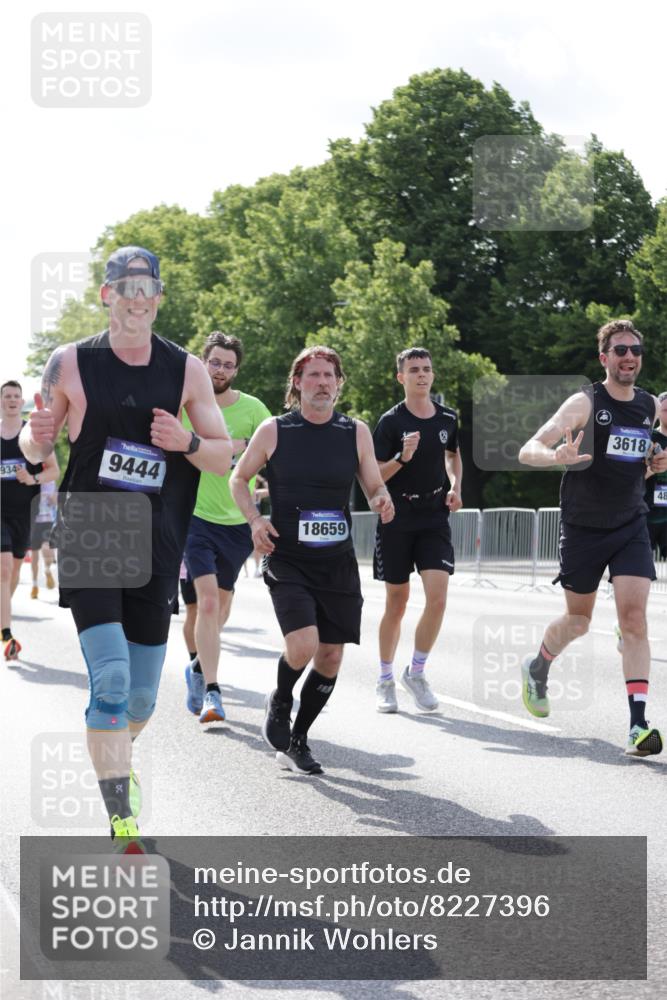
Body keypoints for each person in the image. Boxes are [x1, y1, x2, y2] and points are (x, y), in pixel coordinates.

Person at [20, 246, 232, 846]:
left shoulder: (186, 369)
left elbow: (223, 457)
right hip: (93, 528)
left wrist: (187, 442)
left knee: (140, 698)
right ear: (106, 295)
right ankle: (121, 817)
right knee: (111, 679)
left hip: (158, 539)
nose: (137, 299)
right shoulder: (70, 362)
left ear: (159, 297)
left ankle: (118, 753)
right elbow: (37, 449)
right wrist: (36, 439)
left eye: (147, 289)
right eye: (125, 288)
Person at [230, 346, 394, 774]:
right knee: (303, 644)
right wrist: (255, 521)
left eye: (329, 376)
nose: (322, 383)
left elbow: (373, 484)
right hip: (288, 556)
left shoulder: (355, 432)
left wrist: (381, 499)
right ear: (297, 383)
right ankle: (281, 698)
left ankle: (299, 739)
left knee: (331, 656)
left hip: (337, 562)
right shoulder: (274, 430)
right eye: (313, 375)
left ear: (339, 384)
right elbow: (239, 479)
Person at [518, 319, 667, 756]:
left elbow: (638, 461)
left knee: (634, 620)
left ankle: (638, 725)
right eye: (620, 350)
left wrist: (655, 463)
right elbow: (528, 448)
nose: (629, 357)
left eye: (635, 350)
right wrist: (555, 456)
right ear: (604, 358)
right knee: (578, 621)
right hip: (583, 526)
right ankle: (538, 666)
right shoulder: (584, 402)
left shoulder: (648, 405)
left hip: (630, 523)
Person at [182, 331, 271, 723]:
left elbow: (275, 452)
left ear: (236, 369)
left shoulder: (254, 409)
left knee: (220, 608)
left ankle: (197, 666)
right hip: (194, 517)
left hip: (237, 522)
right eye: (215, 362)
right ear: (203, 362)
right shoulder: (186, 404)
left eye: (228, 365)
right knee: (206, 603)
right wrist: (225, 445)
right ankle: (212, 692)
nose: (220, 370)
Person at [371, 348, 462, 713]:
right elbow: (374, 474)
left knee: (438, 599)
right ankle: (384, 679)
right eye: (414, 370)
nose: (422, 374)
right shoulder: (390, 422)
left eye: (426, 369)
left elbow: (453, 455)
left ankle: (417, 672)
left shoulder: (447, 417)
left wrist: (456, 485)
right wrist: (402, 458)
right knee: (397, 603)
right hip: (397, 515)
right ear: (401, 378)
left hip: (434, 515)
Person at [1, 381, 59, 660]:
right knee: (3, 569)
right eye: (7, 396)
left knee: (12, 573)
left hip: (24, 514)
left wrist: (32, 478)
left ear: (21, 400)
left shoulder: (32, 434)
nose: (12, 400)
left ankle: (3, 614)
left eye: (16, 396)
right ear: (1, 401)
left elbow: (53, 471)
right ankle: (6, 635)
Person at [30, 480, 59, 599]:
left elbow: (56, 501)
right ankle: (34, 585)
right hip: (34, 522)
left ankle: (47, 570)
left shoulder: (51, 482)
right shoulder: (32, 478)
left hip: (48, 520)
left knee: (47, 548)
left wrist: (53, 498)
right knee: (34, 556)